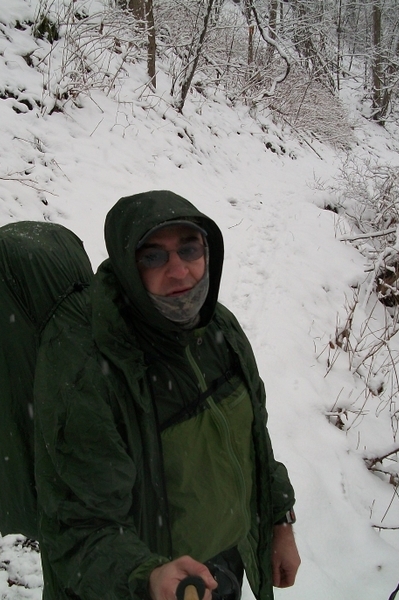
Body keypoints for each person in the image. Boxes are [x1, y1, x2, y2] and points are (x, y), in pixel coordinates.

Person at [33, 190, 299, 600]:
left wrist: (279, 520)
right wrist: (147, 577)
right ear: (127, 268)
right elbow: (80, 527)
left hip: (229, 562)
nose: (179, 272)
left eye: (189, 250)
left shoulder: (220, 330)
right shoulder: (94, 369)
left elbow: (253, 441)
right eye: (153, 257)